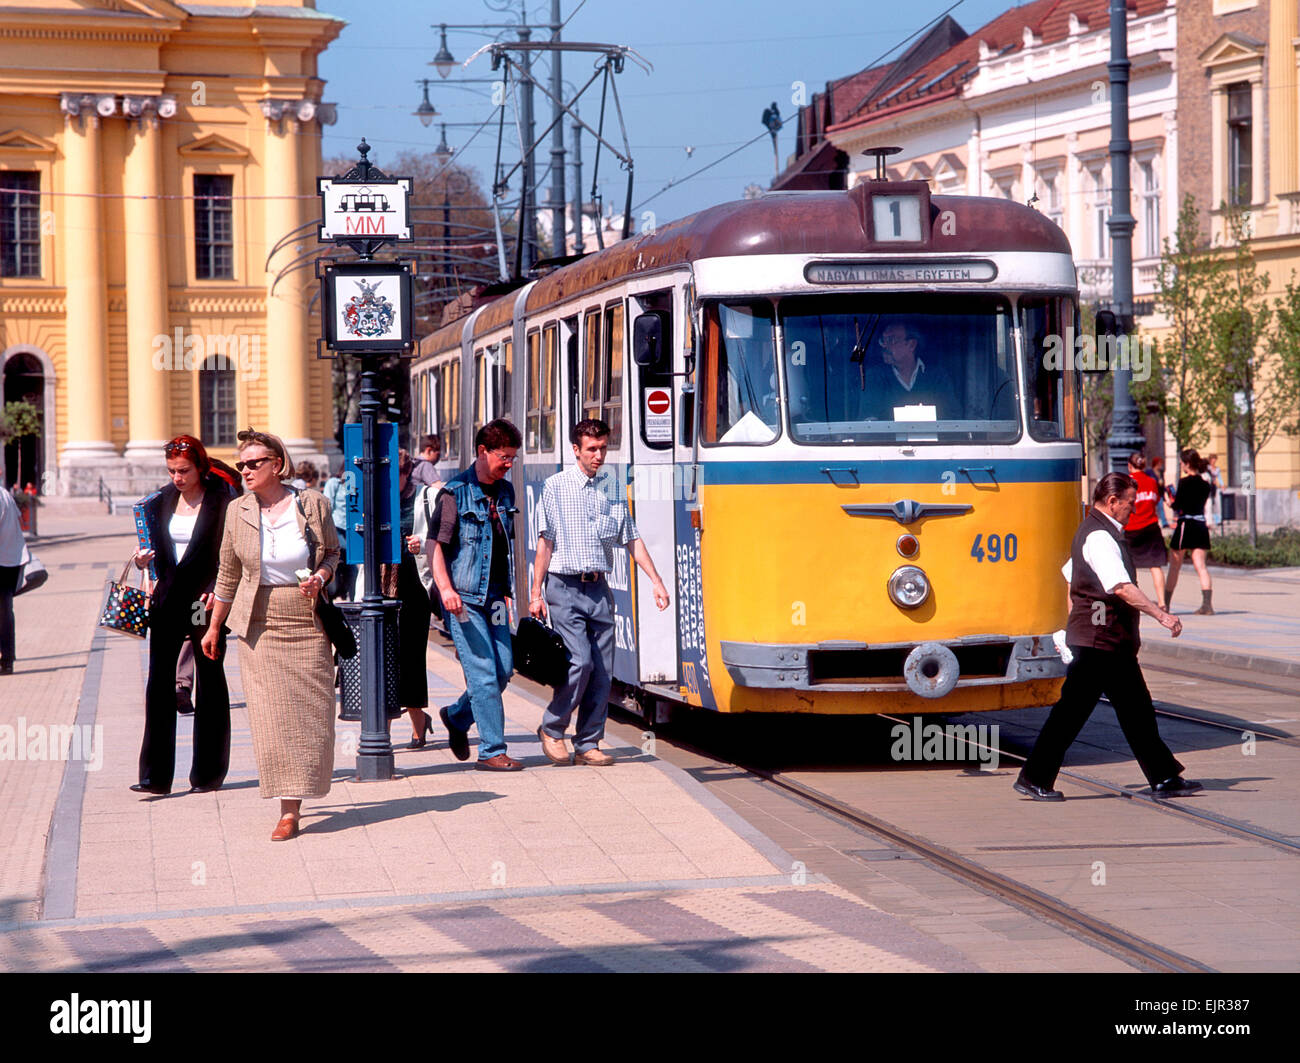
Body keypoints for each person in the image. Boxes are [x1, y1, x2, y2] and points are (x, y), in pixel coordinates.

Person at [1014, 472, 1201, 801]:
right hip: (1098, 644)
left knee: (1137, 711)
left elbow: (1070, 576)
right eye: (1130, 503)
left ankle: (1164, 777)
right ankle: (1034, 776)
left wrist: (1079, 616)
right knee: (1071, 713)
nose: (1134, 509)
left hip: (1108, 642)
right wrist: (1161, 614)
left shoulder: (1099, 531)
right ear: (1113, 502)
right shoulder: (1100, 537)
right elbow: (1120, 587)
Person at [202, 428, 339, 841]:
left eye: (253, 463)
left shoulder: (312, 504)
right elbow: (228, 573)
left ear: (276, 465)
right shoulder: (237, 510)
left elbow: (332, 552)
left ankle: (305, 788)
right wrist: (213, 628)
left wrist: (320, 576)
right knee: (272, 720)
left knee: (312, 715)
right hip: (258, 623)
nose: (244, 470)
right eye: (241, 464)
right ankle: (288, 810)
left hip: (306, 619)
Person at [529, 419, 671, 766]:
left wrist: (656, 580)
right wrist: (535, 592)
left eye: (604, 447)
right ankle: (552, 728)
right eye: (592, 449)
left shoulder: (612, 487)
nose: (599, 455)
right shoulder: (556, 487)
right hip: (564, 586)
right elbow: (544, 543)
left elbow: (631, 538)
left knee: (603, 672)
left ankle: (588, 741)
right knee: (580, 662)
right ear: (576, 450)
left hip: (598, 589)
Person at [130, 436, 234, 796]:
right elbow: (157, 548)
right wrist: (145, 560)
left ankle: (207, 773)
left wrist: (217, 586)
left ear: (200, 467)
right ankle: (154, 776)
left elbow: (230, 551)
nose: (177, 477)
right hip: (168, 598)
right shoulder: (160, 500)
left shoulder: (222, 499)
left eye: (184, 471)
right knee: (159, 682)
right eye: (172, 470)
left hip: (202, 600)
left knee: (209, 678)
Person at [421, 419, 523, 771]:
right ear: (483, 451)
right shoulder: (455, 493)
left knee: (503, 670)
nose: (509, 463)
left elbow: (503, 546)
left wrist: (508, 591)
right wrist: (446, 589)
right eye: (504, 457)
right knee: (481, 673)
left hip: (494, 596)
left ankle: (457, 716)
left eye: (512, 457)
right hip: (463, 598)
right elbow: (434, 544)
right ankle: (493, 750)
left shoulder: (506, 492)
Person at [384, 449, 433, 748]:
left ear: (407, 473)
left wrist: (422, 544)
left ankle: (417, 722)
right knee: (386, 660)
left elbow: (442, 541)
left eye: (396, 477)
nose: (392, 483)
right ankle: (385, 730)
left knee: (412, 661)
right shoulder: (378, 499)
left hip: (415, 589)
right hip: (384, 588)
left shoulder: (426, 498)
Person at [858, 321, 956, 421]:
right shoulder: (875, 377)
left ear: (911, 345)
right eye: (883, 340)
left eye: (891, 340)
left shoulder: (937, 377)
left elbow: (952, 418)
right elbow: (869, 421)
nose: (884, 346)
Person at [1166, 448, 1215, 615]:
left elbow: (1178, 505)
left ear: (1187, 464)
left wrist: (1169, 501)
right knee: (1201, 566)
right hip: (1200, 525)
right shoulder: (1205, 484)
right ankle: (1207, 605)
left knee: (1174, 566)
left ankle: (1165, 604)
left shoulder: (1184, 482)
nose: (1181, 465)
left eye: (1181, 463)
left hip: (1185, 525)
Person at [1123, 453, 1168, 610]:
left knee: (1129, 567)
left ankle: (1133, 603)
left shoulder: (1126, 483)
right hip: (1151, 527)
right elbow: (1155, 501)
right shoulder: (1152, 481)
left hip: (1131, 528)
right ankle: (1162, 602)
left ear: (1130, 465)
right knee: (1155, 566)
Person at [322, 460, 358, 602]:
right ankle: (334, 594)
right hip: (335, 528)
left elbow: (351, 506)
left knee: (351, 567)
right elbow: (327, 505)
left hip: (347, 529)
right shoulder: (334, 483)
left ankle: (351, 598)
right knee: (345, 562)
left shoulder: (351, 485)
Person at [0, 485, 24, 675]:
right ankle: (7, 658)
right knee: (5, 610)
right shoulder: (5, 494)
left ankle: (6, 658)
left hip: (3, 560)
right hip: (12, 559)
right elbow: (19, 519)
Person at [1149, 454, 1170, 529]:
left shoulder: (1161, 472)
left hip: (1159, 493)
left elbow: (1162, 483)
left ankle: (1164, 522)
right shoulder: (1149, 472)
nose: (1161, 465)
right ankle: (1152, 522)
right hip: (1152, 493)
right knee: (1151, 508)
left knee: (1161, 508)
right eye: (1159, 464)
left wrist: (1165, 492)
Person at [1205, 452, 1223, 527]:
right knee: (1208, 503)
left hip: (1214, 487)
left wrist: (1222, 485)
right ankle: (1208, 520)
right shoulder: (1207, 468)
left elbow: (1219, 477)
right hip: (1208, 487)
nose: (1214, 461)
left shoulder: (1217, 469)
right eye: (1213, 459)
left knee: (1216, 503)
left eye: (1215, 460)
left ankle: (1217, 520)